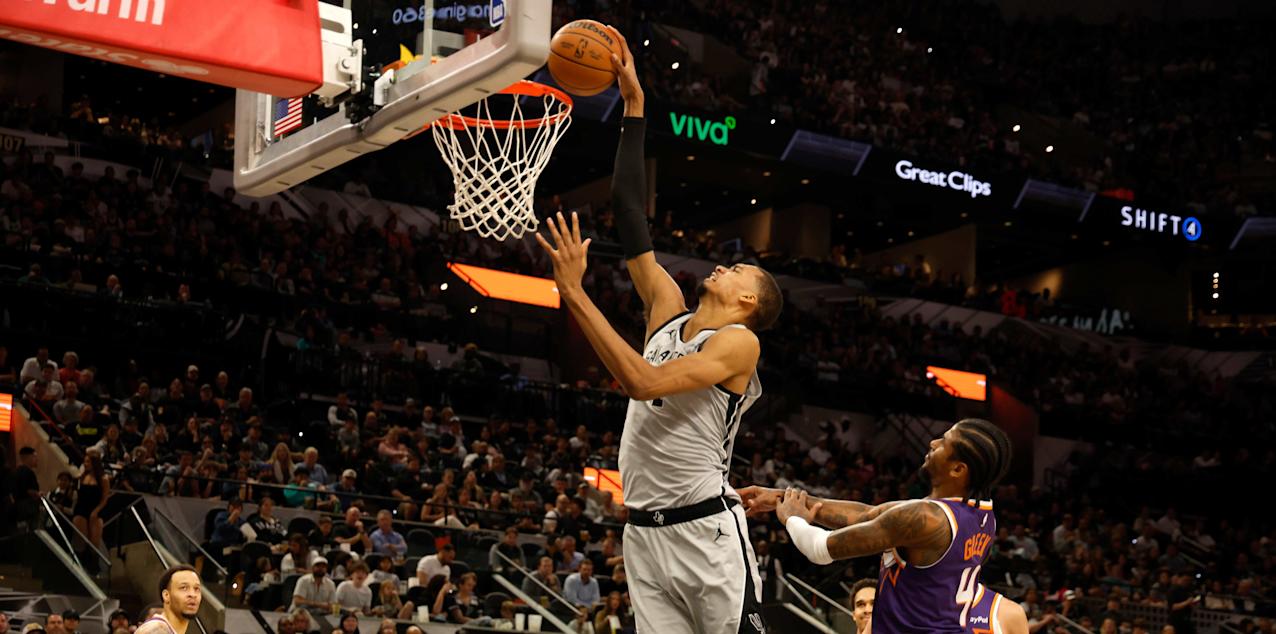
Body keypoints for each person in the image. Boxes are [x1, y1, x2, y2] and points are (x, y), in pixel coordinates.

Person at [532, 28, 781, 634]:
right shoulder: (667, 304)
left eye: (738, 267)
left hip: (706, 531)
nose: (723, 264)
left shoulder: (739, 343)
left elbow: (643, 382)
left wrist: (575, 293)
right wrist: (634, 105)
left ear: (749, 298)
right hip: (643, 534)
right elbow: (627, 210)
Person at [743, 418, 1013, 633]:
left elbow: (819, 549)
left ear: (958, 470)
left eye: (944, 442)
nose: (932, 442)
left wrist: (791, 518)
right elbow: (869, 515)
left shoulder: (927, 519)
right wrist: (779, 497)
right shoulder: (982, 515)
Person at [134, 565, 202, 634]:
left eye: (197, 589)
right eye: (183, 588)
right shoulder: (156, 630)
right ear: (166, 595)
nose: (193, 594)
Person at [72, 451, 110, 556]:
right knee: (80, 540)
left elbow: (104, 498)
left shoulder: (103, 479)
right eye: (85, 462)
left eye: (88, 462)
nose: (85, 464)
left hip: (96, 510)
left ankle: (92, 564)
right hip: (81, 508)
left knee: (94, 542)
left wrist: (96, 511)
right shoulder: (83, 476)